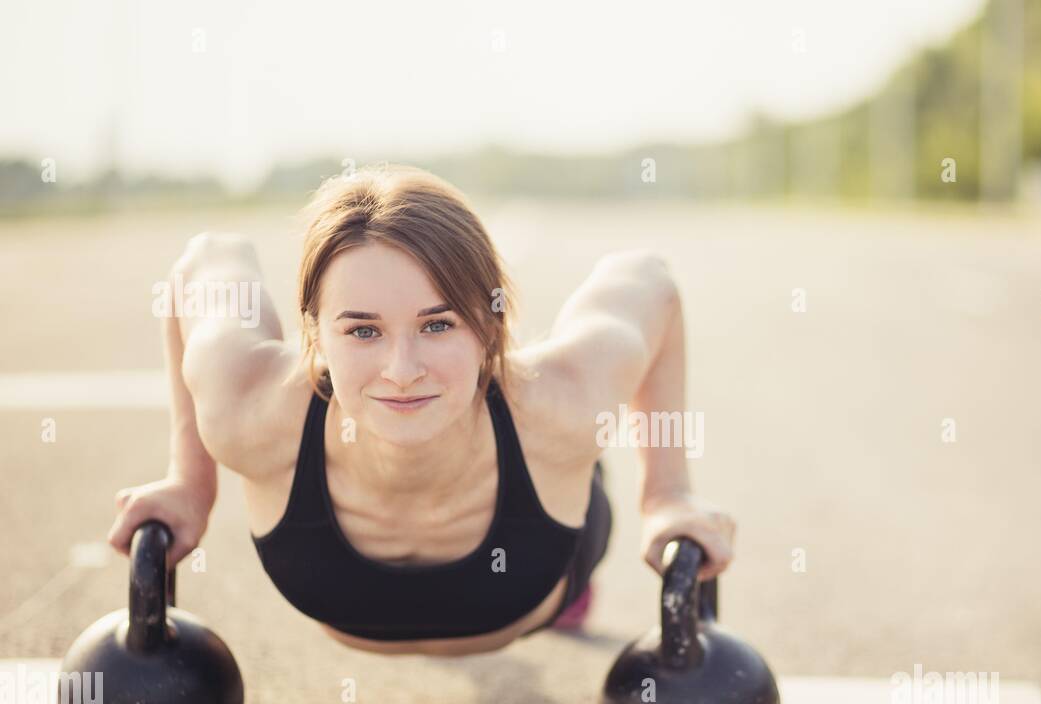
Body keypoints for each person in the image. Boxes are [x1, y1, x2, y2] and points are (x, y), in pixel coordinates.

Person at [106, 164, 735, 657]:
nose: (402, 371)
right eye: (362, 331)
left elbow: (648, 278)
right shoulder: (249, 407)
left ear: (490, 325)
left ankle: (578, 553)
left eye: (437, 325)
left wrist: (667, 496)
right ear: (316, 332)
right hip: (379, 584)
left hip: (542, 557)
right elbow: (203, 259)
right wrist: (190, 483)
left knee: (570, 450)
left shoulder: (563, 403)